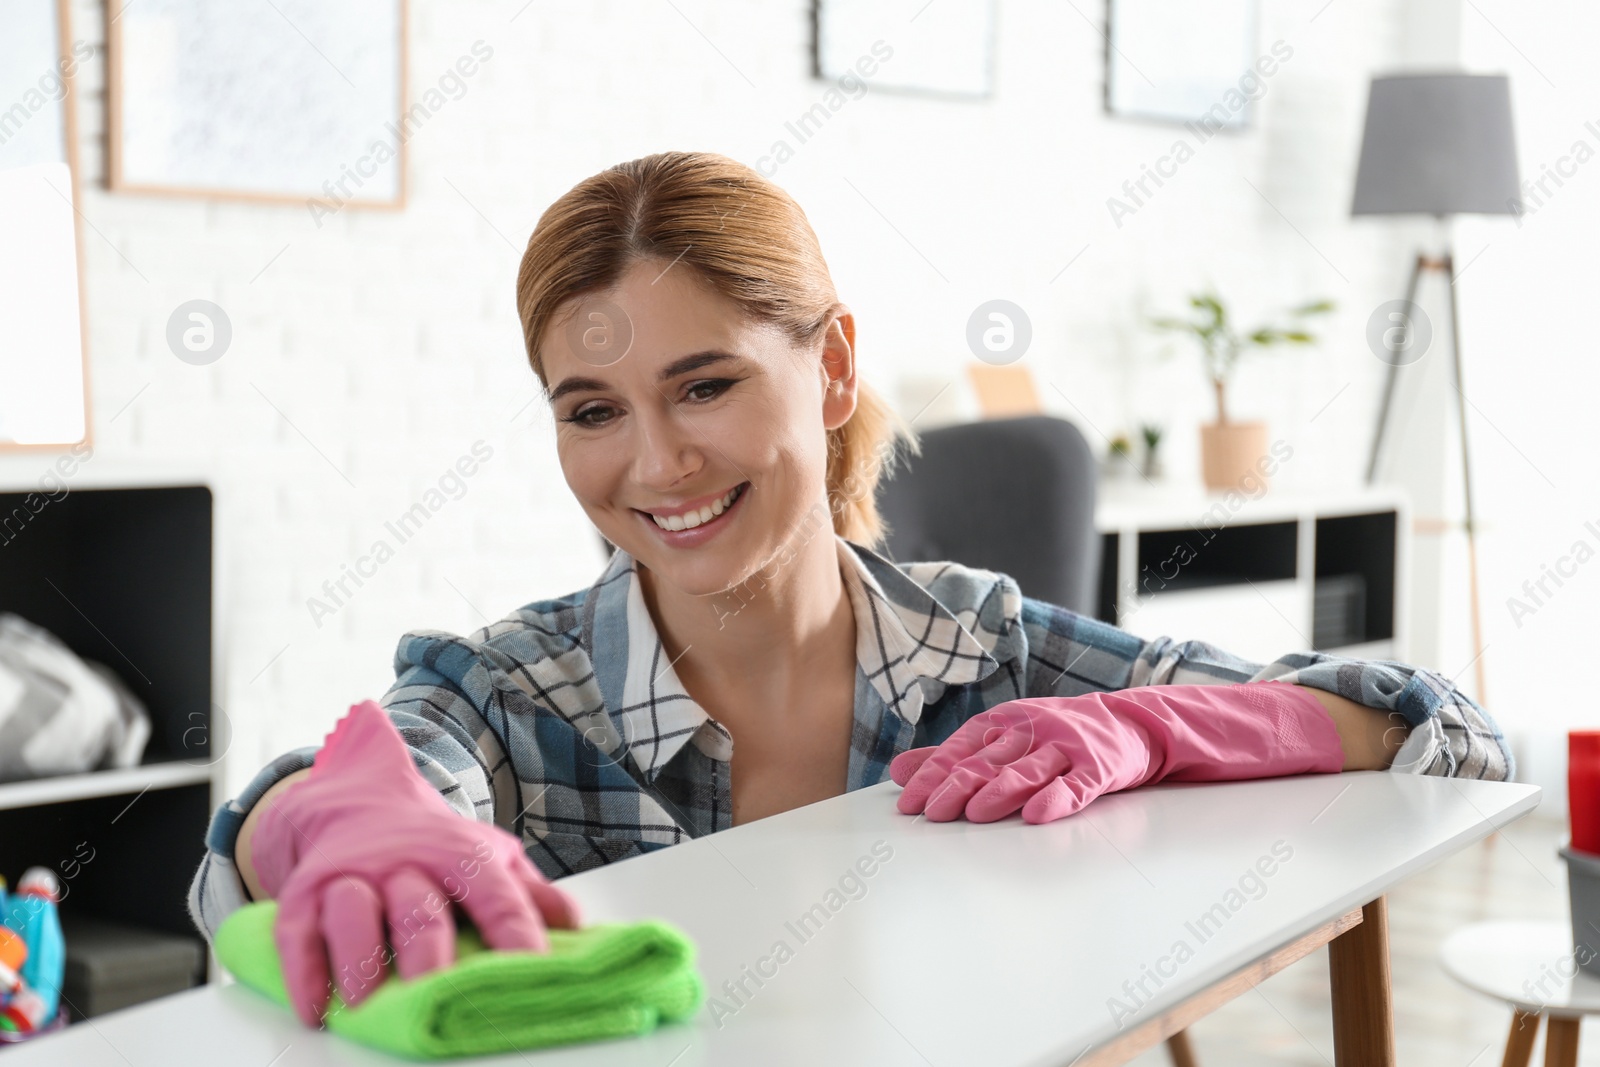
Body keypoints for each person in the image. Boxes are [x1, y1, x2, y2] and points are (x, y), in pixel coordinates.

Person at [186, 150, 1512, 1029]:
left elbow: (1451, 738)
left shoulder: (978, 650)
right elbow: (297, 820)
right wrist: (327, 823)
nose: (656, 463)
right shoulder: (507, 697)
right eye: (593, 410)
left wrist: (1151, 724)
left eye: (706, 384)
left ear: (829, 370)